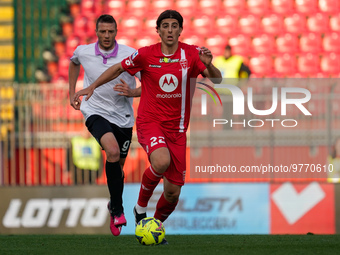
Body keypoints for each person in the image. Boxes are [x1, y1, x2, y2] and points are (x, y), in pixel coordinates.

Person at [73, 10, 222, 243]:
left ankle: (154, 226)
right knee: (161, 161)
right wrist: (92, 87)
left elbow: (217, 79)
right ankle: (140, 209)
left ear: (180, 30)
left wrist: (209, 65)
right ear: (158, 30)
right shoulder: (145, 55)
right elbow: (117, 69)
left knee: (172, 194)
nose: (170, 30)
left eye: (174, 26)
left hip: (178, 130)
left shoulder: (192, 54)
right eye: (165, 26)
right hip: (150, 122)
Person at [68, 14, 141, 236]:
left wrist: (132, 92)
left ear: (116, 31)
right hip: (94, 111)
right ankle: (118, 211)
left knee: (118, 168)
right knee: (112, 150)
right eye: (103, 32)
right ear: (96, 32)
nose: (107, 36)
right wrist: (71, 92)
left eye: (110, 31)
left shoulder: (130, 54)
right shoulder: (84, 51)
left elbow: (149, 84)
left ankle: (112, 204)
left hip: (123, 118)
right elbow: (73, 63)